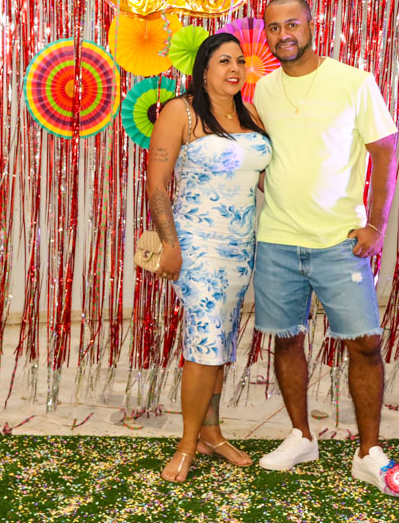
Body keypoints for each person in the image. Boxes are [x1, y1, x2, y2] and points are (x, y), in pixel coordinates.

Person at [251, 0, 399, 498]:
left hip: (340, 241)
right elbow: (263, 154)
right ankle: (301, 436)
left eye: (293, 24)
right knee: (286, 339)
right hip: (277, 240)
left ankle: (369, 451)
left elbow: (384, 151)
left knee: (364, 343)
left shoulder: (354, 81)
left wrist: (376, 225)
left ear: (311, 26)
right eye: (274, 26)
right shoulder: (263, 90)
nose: (284, 34)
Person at [146, 32, 271, 483]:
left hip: (242, 246)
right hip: (197, 244)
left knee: (221, 343)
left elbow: (265, 179)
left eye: (239, 61)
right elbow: (157, 185)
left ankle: (211, 434)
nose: (235, 69)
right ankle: (187, 443)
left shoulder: (250, 113)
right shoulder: (180, 112)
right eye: (223, 61)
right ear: (203, 70)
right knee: (204, 343)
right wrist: (170, 243)